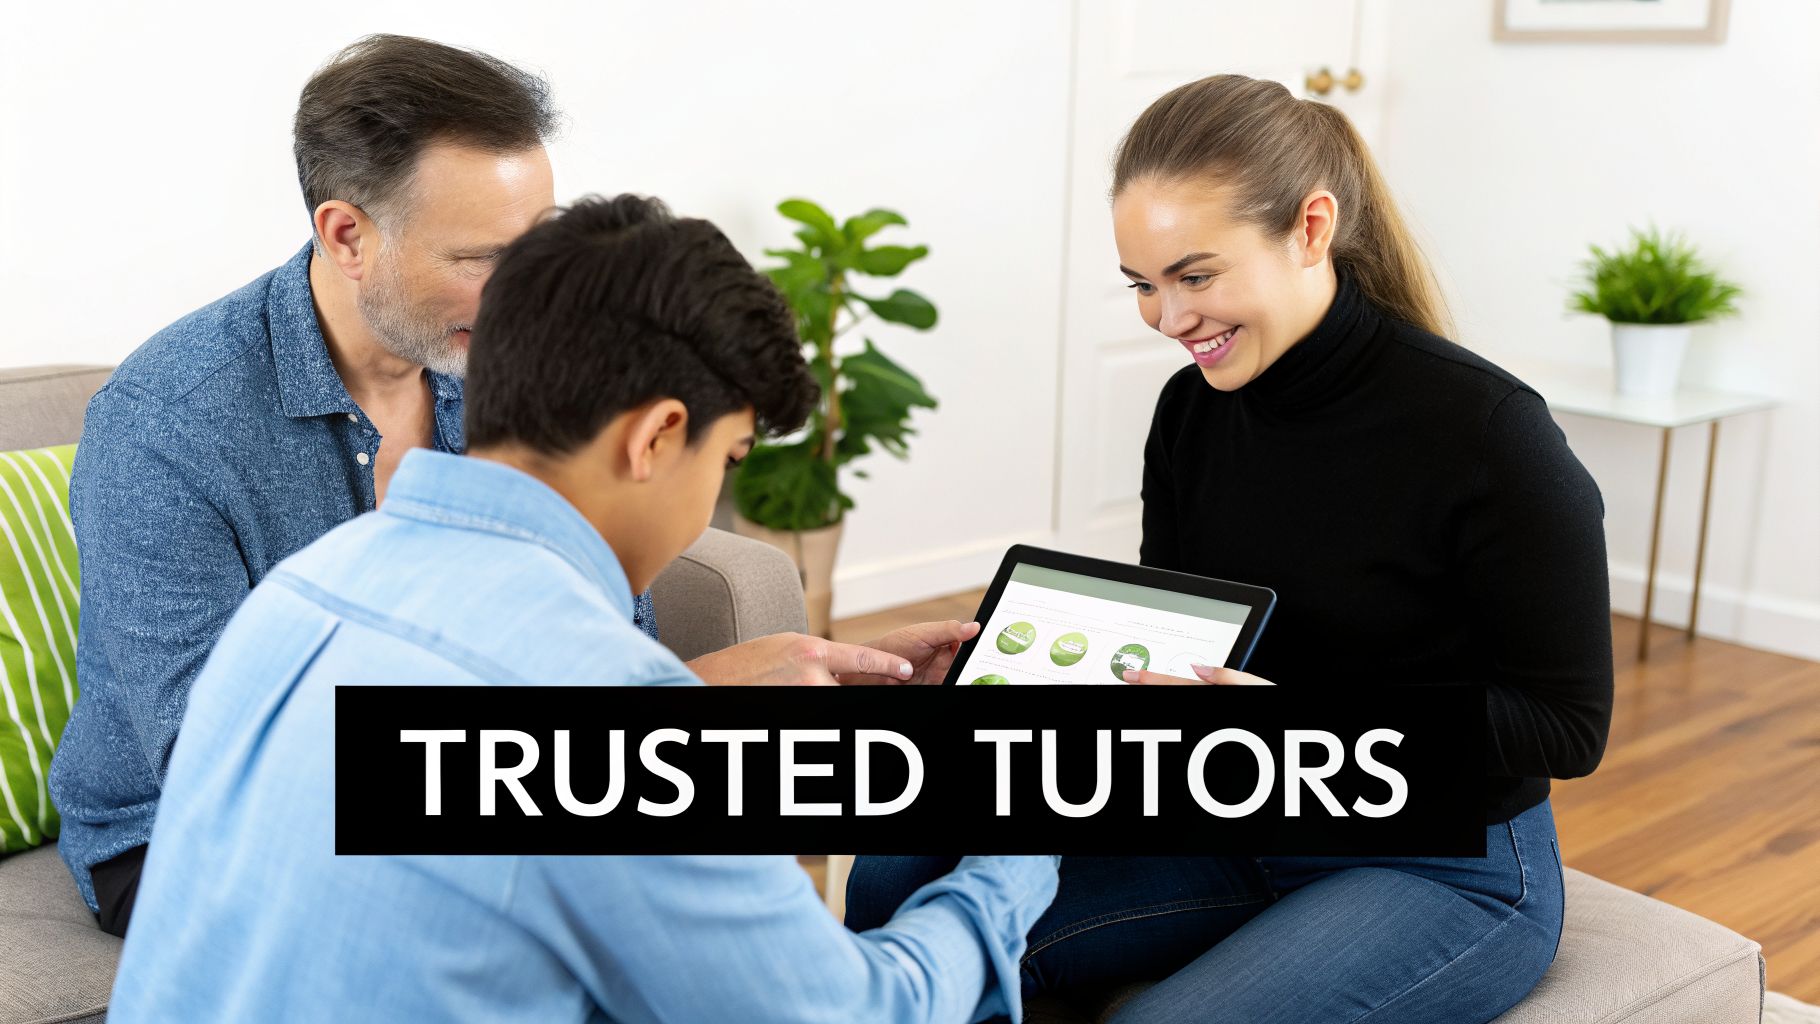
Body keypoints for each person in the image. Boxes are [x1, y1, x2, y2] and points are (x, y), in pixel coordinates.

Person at [51, 33, 972, 938]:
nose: (527, 292)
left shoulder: (506, 364)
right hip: (191, 837)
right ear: (347, 235)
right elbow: (231, 764)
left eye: (538, 247)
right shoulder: (164, 427)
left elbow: (604, 640)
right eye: (483, 259)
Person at [104, 194, 1056, 1023]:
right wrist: (1018, 854)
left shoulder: (302, 594)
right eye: (724, 463)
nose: (704, 507)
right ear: (657, 437)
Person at [849, 74, 1614, 1024]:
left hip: (1442, 853)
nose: (1169, 321)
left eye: (1196, 277)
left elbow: (1567, 727)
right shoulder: (1190, 414)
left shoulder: (1491, 434)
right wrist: (1017, 683)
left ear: (1309, 229)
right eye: (1142, 286)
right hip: (1239, 800)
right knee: (898, 885)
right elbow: (1184, 641)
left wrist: (1313, 730)